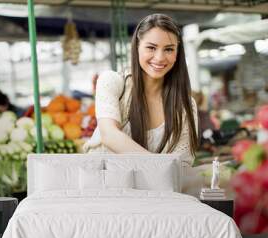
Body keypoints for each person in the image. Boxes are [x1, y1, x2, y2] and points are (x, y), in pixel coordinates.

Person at [83, 14, 199, 167]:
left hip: (150, 189)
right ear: (137, 46)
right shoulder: (112, 81)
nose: (159, 57)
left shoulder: (185, 105)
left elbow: (182, 164)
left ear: (177, 53)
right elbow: (109, 135)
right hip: (101, 183)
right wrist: (157, 166)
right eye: (151, 48)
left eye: (169, 49)